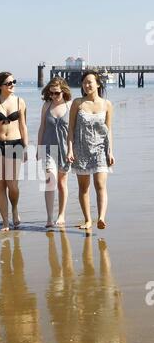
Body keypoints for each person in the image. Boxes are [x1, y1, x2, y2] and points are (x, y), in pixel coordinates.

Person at [67, 70, 115, 229]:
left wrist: (110, 151)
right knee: (84, 188)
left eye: (90, 82)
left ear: (98, 84)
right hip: (81, 149)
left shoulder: (107, 104)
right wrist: (70, 149)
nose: (87, 85)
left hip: (101, 149)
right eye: (84, 82)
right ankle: (88, 220)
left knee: (100, 184)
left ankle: (101, 217)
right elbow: (71, 129)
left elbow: (109, 130)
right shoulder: (77, 103)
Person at [0, 72, 28, 231]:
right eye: (8, 83)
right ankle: (5, 221)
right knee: (0, 185)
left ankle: (15, 208)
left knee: (12, 185)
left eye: (13, 82)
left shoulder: (20, 101)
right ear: (0, 86)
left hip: (15, 144)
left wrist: (25, 146)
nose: (12, 85)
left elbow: (23, 126)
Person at [37, 77, 71, 228]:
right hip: (48, 148)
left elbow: (73, 131)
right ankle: (49, 218)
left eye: (56, 93)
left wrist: (72, 150)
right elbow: (41, 127)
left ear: (63, 91)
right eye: (51, 93)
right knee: (50, 180)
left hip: (64, 149)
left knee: (62, 183)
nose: (53, 96)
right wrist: (38, 148)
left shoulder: (70, 105)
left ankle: (61, 214)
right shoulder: (46, 105)